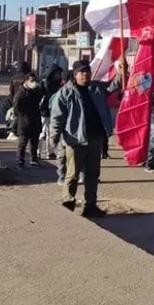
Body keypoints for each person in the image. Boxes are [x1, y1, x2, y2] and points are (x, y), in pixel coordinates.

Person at [49, 59, 124, 217]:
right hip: (75, 139)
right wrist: (54, 136)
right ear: (75, 75)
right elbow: (57, 116)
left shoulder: (96, 88)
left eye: (87, 71)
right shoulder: (66, 92)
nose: (85, 75)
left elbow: (113, 86)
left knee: (92, 174)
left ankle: (90, 205)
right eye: (82, 72)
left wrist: (121, 72)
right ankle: (68, 201)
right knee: (73, 173)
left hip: (95, 138)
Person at [13, 72, 45, 168]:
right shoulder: (20, 93)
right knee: (23, 142)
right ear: (25, 81)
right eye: (32, 81)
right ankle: (20, 160)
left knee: (34, 142)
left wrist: (40, 86)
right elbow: (16, 108)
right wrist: (22, 115)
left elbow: (42, 94)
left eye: (35, 81)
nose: (34, 83)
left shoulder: (35, 91)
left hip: (35, 119)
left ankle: (34, 159)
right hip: (24, 121)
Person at [40, 65, 65, 160]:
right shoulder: (45, 83)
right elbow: (40, 98)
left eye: (59, 73)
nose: (58, 75)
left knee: (51, 133)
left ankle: (50, 152)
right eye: (57, 73)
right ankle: (37, 151)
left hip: (55, 112)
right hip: (45, 111)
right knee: (42, 132)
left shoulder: (60, 85)